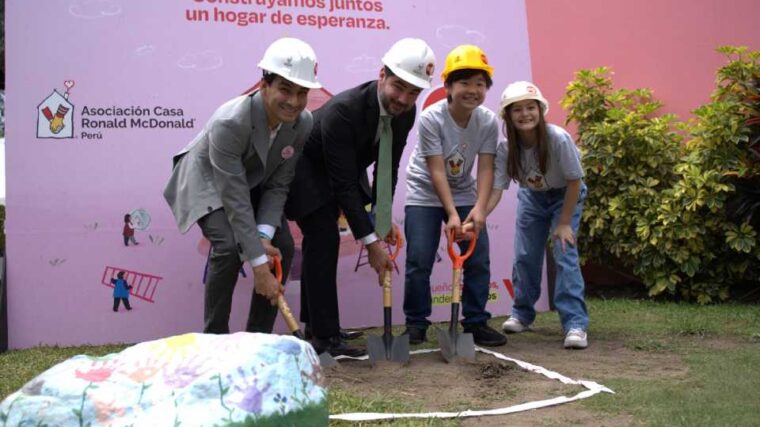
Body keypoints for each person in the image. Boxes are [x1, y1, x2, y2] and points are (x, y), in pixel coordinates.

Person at [285, 38, 436, 357]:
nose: (404, 99)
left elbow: (388, 167)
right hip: (308, 172)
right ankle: (325, 340)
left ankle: (318, 326)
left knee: (320, 245)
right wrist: (371, 243)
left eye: (414, 92)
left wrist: (383, 219)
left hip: (344, 172)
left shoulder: (405, 113)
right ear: (382, 74)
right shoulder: (344, 110)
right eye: (399, 87)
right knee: (324, 239)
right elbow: (343, 185)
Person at [163, 38, 321, 334]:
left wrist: (263, 237)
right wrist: (259, 264)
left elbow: (279, 185)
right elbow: (233, 196)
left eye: (302, 93)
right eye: (285, 89)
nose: (294, 101)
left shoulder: (303, 122)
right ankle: (215, 339)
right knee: (227, 245)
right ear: (264, 85)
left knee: (282, 245)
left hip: (253, 180)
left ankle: (257, 338)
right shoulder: (230, 121)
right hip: (208, 179)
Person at [402, 45, 506, 347]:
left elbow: (485, 168)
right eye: (465, 83)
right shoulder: (431, 118)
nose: (473, 90)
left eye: (480, 83)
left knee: (478, 259)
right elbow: (436, 171)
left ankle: (475, 322)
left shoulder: (486, 121)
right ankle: (416, 324)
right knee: (419, 260)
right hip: (424, 192)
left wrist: (480, 209)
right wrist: (450, 213)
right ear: (448, 85)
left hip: (462, 191)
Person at [486, 81, 589, 349]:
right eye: (516, 109)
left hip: (564, 196)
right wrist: (480, 215)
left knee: (565, 254)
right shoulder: (506, 149)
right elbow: (497, 189)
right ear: (507, 116)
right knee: (524, 256)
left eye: (530, 107)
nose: (525, 114)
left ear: (540, 110)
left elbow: (575, 182)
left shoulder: (558, 138)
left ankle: (575, 324)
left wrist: (564, 223)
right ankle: (522, 313)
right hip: (532, 197)